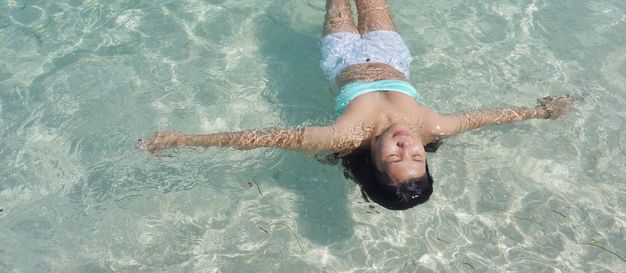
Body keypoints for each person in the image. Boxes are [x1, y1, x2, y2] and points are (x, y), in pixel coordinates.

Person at [139, 0, 573, 210]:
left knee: (339, 5)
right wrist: (538, 110)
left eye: (395, 156)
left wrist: (185, 139)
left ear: (372, 162)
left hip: (343, 55)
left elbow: (261, 138)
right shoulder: (431, 126)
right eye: (417, 156)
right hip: (391, 53)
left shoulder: (345, 135)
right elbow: (485, 117)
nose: (406, 145)